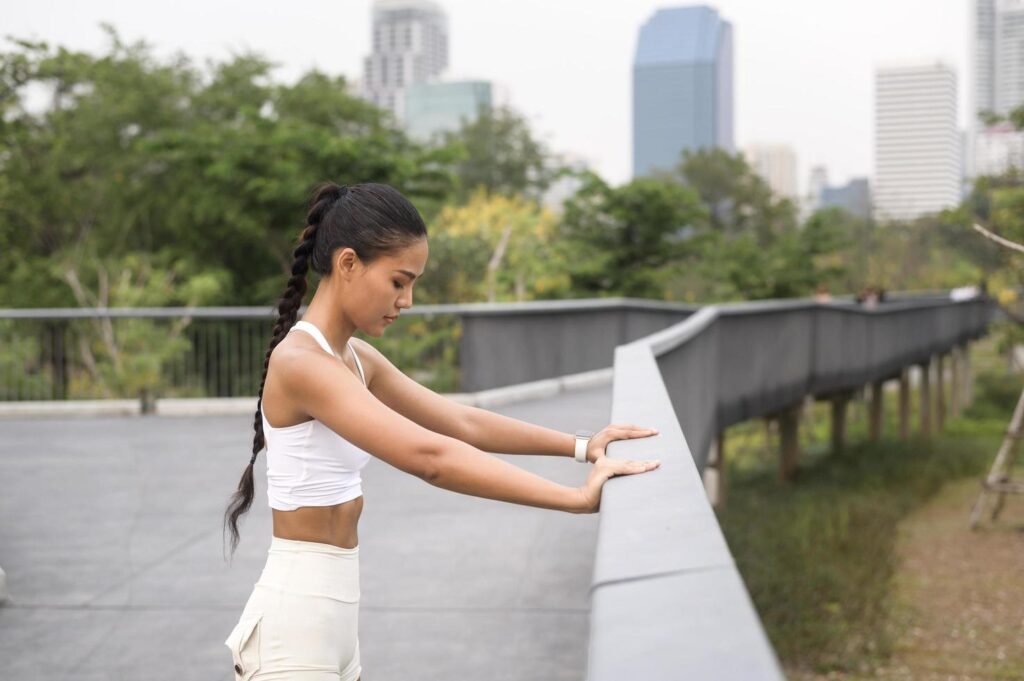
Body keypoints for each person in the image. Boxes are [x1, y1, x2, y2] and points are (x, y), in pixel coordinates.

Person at [221, 182, 662, 680]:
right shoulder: (302, 363)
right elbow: (431, 457)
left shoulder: (355, 358)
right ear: (348, 264)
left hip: (335, 614)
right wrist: (575, 500)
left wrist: (583, 447)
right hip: (294, 623)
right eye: (398, 282)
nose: (407, 301)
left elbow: (461, 421)